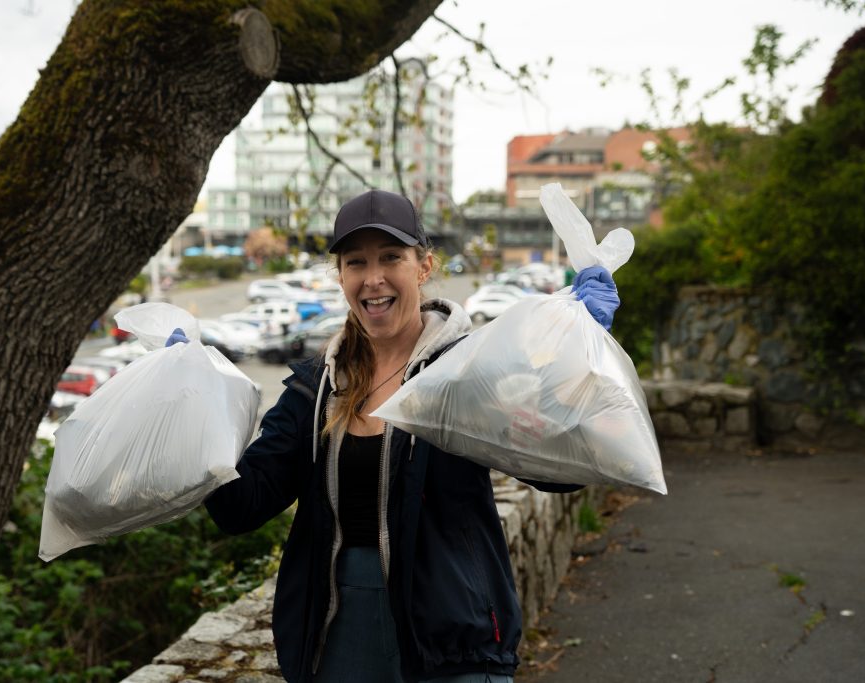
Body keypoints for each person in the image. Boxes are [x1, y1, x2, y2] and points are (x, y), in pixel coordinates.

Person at [166, 189, 620, 682]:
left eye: (391, 258)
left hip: (451, 644)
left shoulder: (468, 371)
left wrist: (579, 361)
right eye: (355, 262)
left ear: (423, 267)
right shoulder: (315, 388)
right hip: (337, 642)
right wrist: (194, 408)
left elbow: (558, 472)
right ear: (340, 276)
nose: (373, 278)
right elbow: (242, 505)